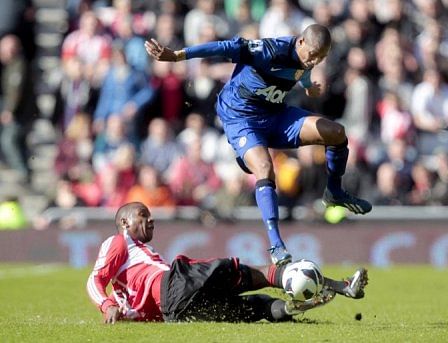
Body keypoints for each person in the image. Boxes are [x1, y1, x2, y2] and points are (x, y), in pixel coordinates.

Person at [145, 24, 372, 265]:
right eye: (313, 54)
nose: (314, 61)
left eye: (320, 57)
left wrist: (308, 86)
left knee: (336, 132)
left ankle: (334, 192)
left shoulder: (307, 57)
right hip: (241, 117)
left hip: (275, 115)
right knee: (265, 168)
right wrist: (178, 55)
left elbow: (300, 71)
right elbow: (224, 47)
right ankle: (276, 245)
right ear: (301, 42)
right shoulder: (269, 50)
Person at [87, 202, 368, 323]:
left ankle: (290, 308)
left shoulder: (126, 293)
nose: (150, 219)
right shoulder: (119, 242)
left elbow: (125, 300)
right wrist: (107, 304)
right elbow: (94, 279)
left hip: (175, 312)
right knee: (246, 273)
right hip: (174, 283)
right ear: (124, 222)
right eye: (142, 214)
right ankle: (339, 285)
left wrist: (116, 306)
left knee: (250, 309)